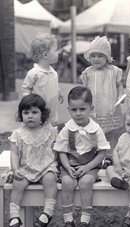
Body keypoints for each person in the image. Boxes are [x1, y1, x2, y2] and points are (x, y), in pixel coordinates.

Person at [53, 86, 110, 227]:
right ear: (68, 109)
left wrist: (87, 167)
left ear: (91, 108)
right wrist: (67, 167)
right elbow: (61, 151)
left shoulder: (96, 129)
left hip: (90, 165)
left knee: (85, 182)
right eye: (74, 110)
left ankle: (85, 218)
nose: (78, 113)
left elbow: (102, 152)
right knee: (67, 183)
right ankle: (68, 219)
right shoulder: (67, 129)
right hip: (69, 164)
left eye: (82, 109)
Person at [8, 94, 58, 227]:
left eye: (35, 112)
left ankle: (47, 212)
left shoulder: (49, 130)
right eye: (26, 112)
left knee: (50, 179)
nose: (30, 115)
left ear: (43, 114)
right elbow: (14, 154)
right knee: (18, 184)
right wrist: (15, 169)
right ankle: (14, 216)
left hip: (46, 166)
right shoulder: (18, 134)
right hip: (26, 167)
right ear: (21, 115)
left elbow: (57, 148)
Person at [81, 36, 124, 164]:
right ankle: (95, 154)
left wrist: (120, 95)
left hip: (109, 106)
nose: (96, 59)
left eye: (100, 56)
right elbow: (84, 89)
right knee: (93, 132)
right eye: (93, 56)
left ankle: (109, 155)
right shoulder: (88, 72)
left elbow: (119, 85)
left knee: (110, 133)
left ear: (107, 57)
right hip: (95, 107)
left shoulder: (113, 71)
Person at [21, 33, 63, 125]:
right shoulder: (35, 73)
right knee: (40, 127)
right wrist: (29, 103)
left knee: (50, 123)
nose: (58, 53)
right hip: (38, 108)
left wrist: (58, 92)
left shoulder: (53, 72)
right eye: (56, 50)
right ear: (45, 54)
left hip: (51, 107)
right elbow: (26, 88)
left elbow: (53, 85)